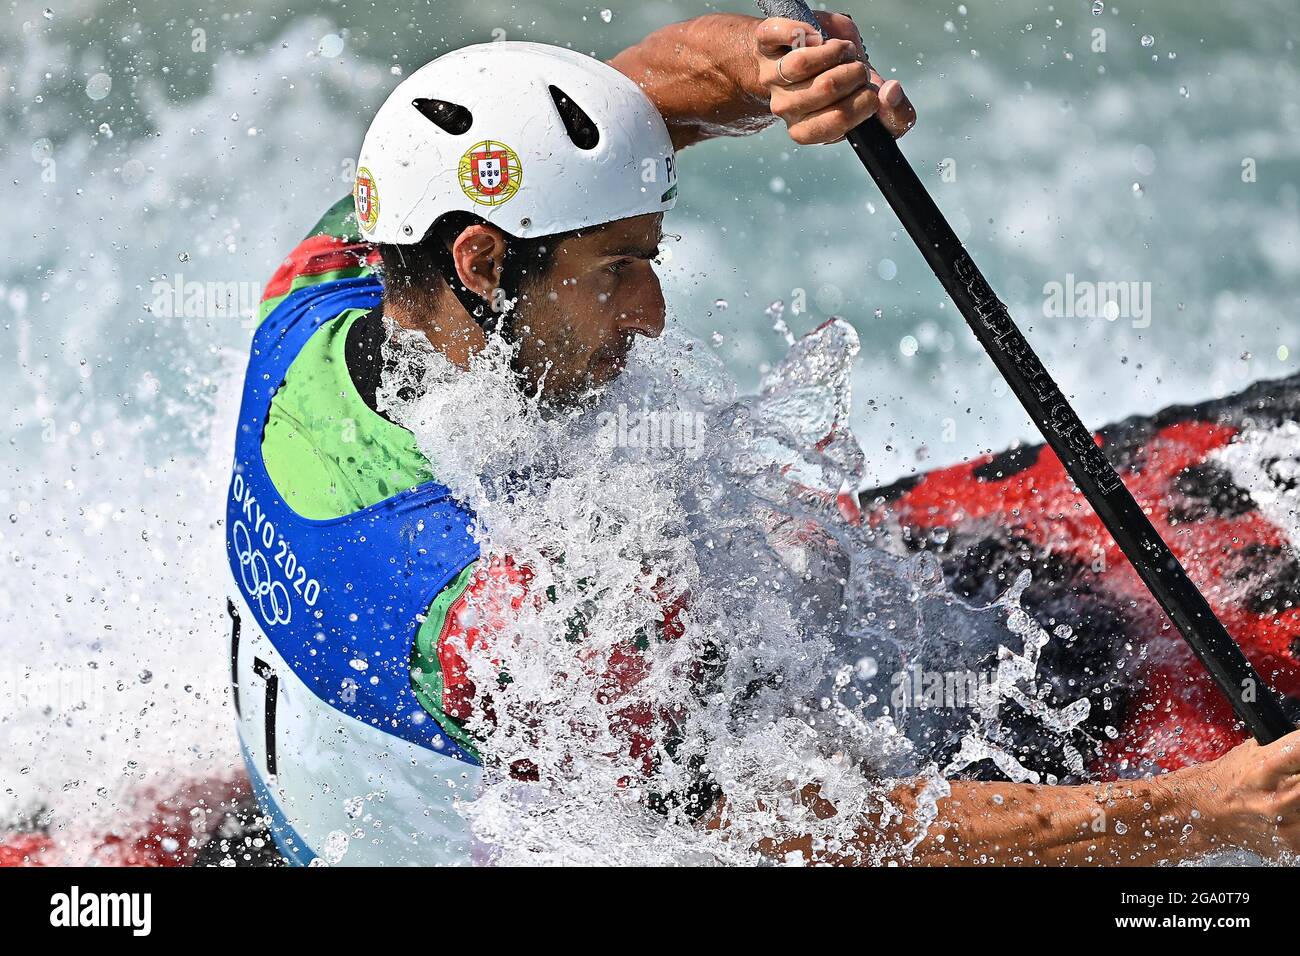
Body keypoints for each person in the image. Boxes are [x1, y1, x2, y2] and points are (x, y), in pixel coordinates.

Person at [226, 11, 1300, 866]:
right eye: (614, 270)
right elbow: (776, 829)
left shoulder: (325, 293)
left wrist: (769, 68)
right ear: (480, 263)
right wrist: (1203, 811)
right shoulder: (485, 620)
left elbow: (626, 101)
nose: (650, 314)